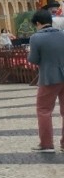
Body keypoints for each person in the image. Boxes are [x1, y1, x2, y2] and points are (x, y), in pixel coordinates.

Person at [27, 9, 64, 152]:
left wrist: (29, 55)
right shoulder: (62, 34)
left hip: (49, 77)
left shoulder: (36, 38)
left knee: (44, 110)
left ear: (37, 23)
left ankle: (46, 144)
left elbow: (34, 59)